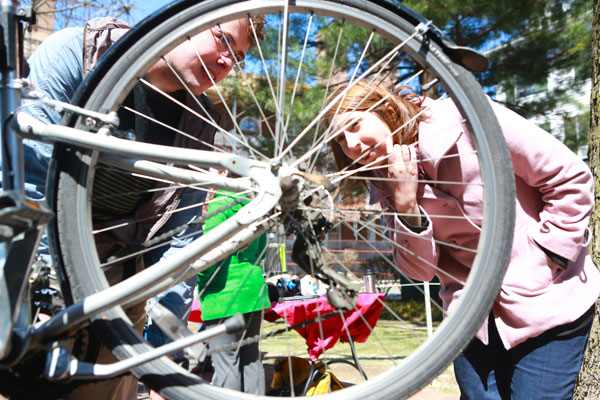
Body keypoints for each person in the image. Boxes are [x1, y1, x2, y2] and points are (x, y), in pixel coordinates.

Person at [7, 14, 265, 400]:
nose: (229, 63)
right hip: (37, 268)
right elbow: (32, 178)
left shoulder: (200, 122)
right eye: (224, 41)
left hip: (120, 284)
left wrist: (164, 358)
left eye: (240, 57)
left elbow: (182, 236)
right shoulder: (78, 55)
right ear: (190, 19)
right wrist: (46, 292)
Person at [325, 80, 600, 399]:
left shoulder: (466, 118)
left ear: (386, 110)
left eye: (355, 126)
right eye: (341, 140)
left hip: (546, 304)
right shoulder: (385, 183)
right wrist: (405, 204)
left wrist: (550, 257)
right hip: (471, 322)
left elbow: (568, 178)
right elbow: (419, 271)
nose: (352, 144)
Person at [196, 189, 271, 395]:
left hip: (222, 293)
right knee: (251, 360)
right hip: (252, 289)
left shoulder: (221, 201)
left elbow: (210, 249)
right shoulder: (254, 202)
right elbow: (262, 246)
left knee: (226, 364)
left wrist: (202, 282)